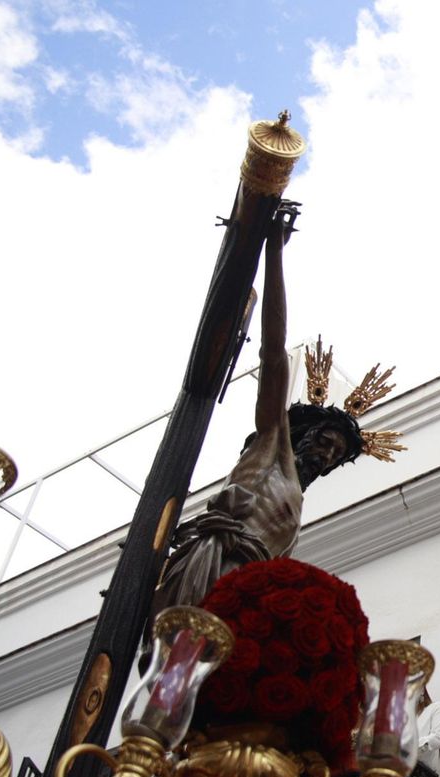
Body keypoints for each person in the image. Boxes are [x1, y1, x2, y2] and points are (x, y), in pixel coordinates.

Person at [152, 203, 397, 624]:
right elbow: (273, 349)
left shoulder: (297, 502)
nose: (326, 455)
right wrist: (274, 254)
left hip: (244, 594)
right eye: (324, 441)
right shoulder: (271, 445)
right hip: (212, 569)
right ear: (303, 434)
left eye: (336, 453)